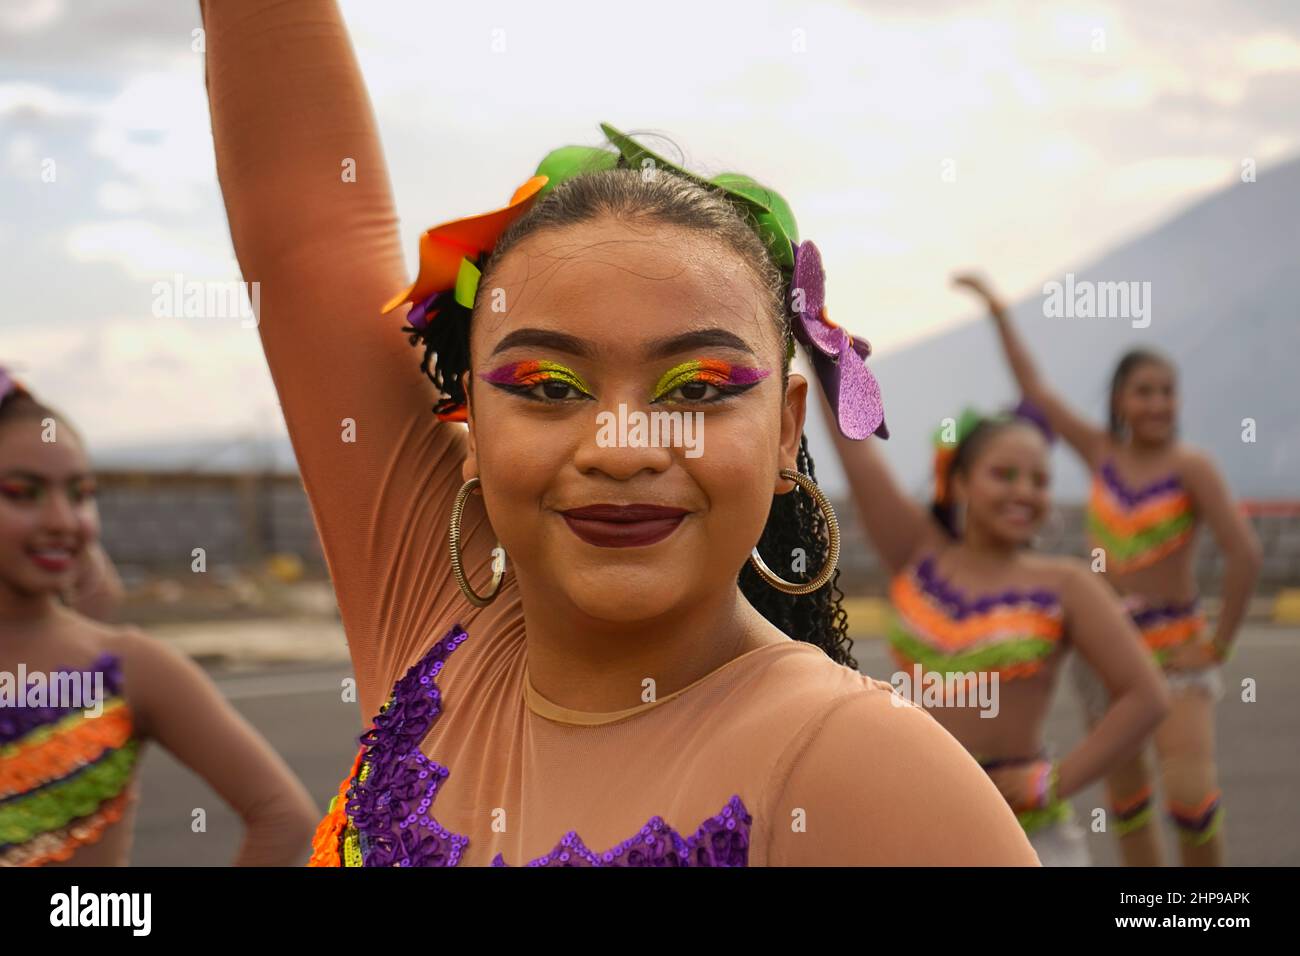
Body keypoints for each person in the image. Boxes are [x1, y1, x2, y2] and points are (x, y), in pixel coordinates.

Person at [200, 0, 1040, 866]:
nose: (622, 445)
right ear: (473, 430)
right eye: (549, 386)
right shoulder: (432, 626)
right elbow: (307, 228)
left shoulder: (868, 770)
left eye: (699, 389)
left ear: (787, 432)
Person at [961, 273, 1263, 865]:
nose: (1157, 403)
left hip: (1178, 652)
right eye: (1144, 391)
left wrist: (1218, 647)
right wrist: (998, 309)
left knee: (1190, 798)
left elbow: (1245, 554)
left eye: (1167, 391)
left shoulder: (1191, 466)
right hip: (1112, 655)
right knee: (1128, 802)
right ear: (1120, 400)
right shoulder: (1101, 454)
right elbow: (1035, 391)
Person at [821, 381, 1169, 865]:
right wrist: (818, 340)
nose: (1023, 492)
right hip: (915, 821)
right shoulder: (918, 555)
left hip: (1025, 834)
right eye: (1004, 475)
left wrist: (1054, 782)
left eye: (1039, 481)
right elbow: (854, 451)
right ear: (960, 482)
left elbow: (1146, 695)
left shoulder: (1066, 583)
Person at [0, 370, 319, 865]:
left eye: (81, 494)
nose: (63, 520)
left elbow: (281, 816)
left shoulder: (129, 666)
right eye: (23, 492)